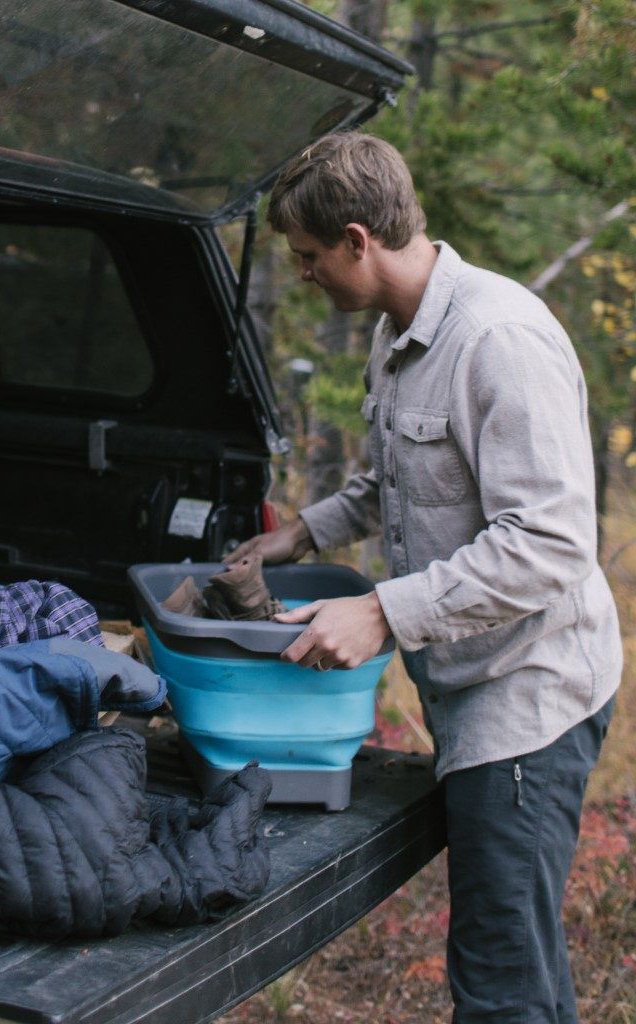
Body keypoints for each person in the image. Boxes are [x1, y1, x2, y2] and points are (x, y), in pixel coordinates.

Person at [225, 132, 622, 1023]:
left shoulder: (499, 339)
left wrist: (381, 611)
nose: (303, 276)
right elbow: (397, 476)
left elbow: (551, 543)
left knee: (498, 981)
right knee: (515, 958)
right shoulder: (396, 331)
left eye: (310, 257)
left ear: (360, 241)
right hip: (472, 684)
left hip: (529, 695)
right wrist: (301, 532)